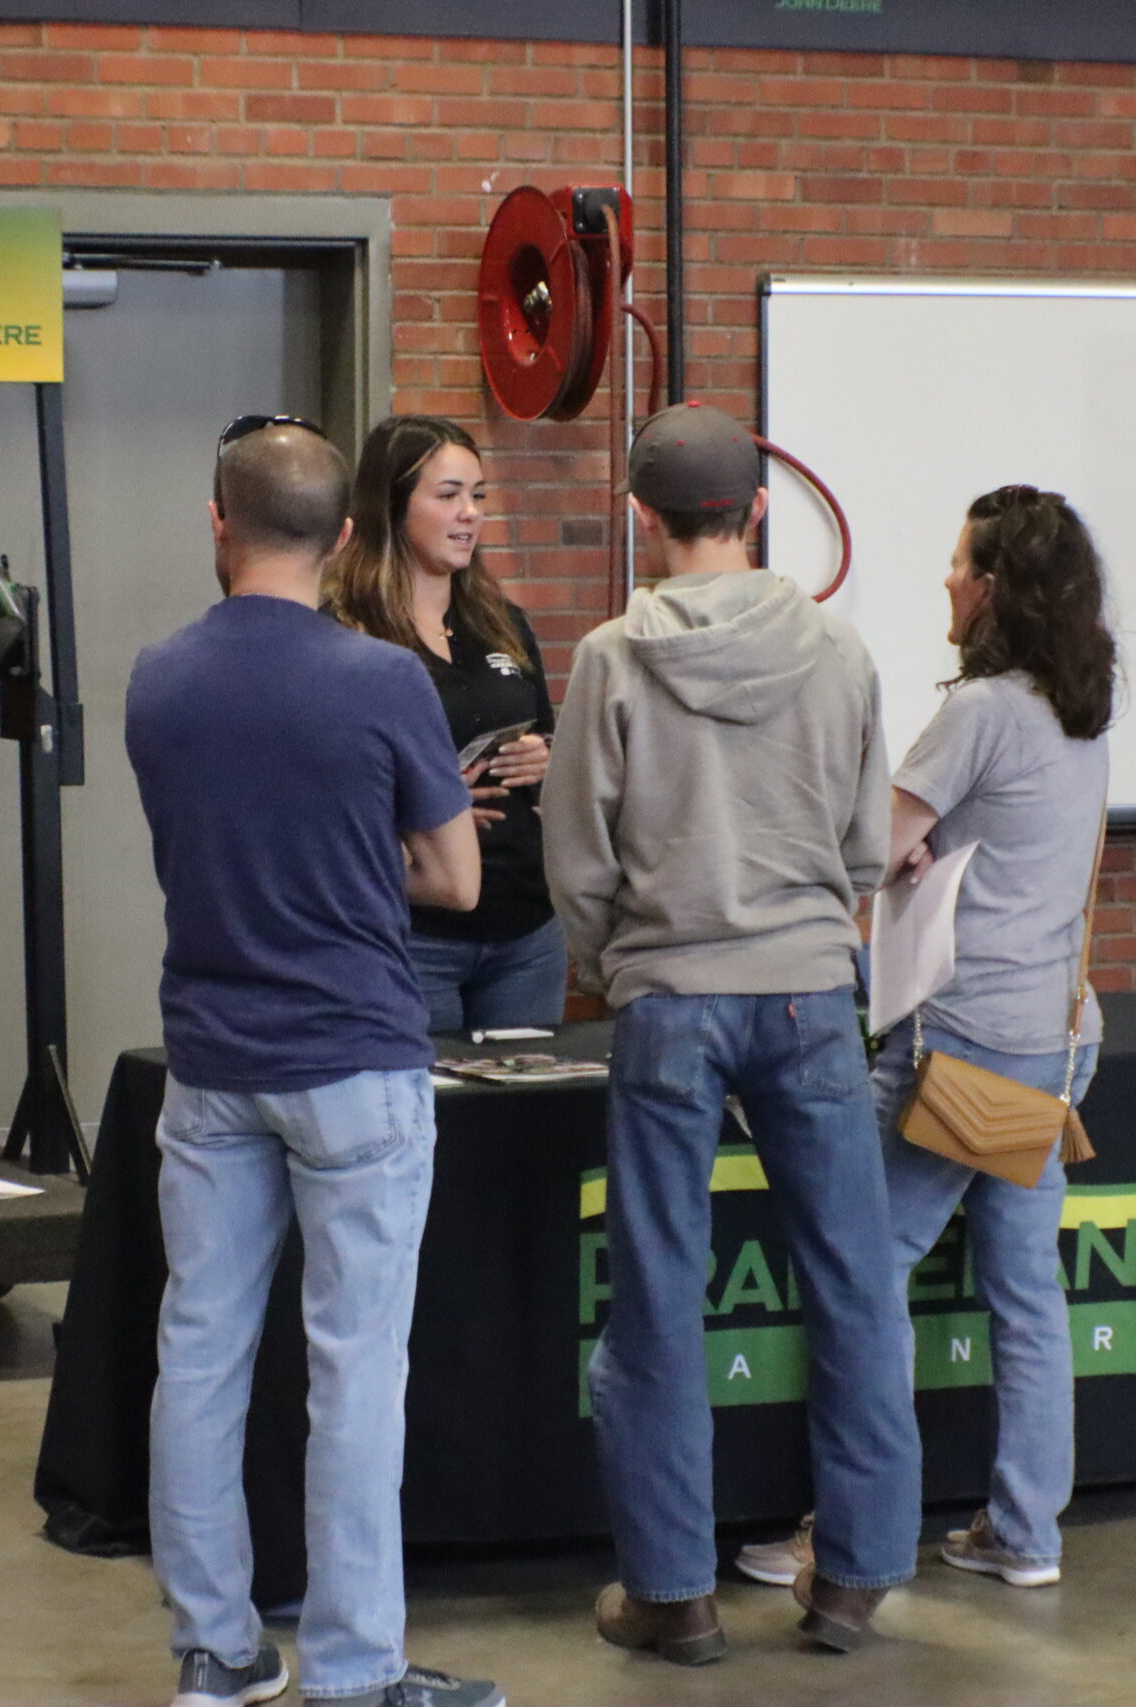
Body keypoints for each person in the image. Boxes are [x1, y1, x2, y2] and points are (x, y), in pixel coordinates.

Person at [124, 414, 501, 1707]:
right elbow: (454, 875)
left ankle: (215, 1651)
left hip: (212, 1058)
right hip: (354, 1060)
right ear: (346, 536)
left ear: (218, 522)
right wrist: (360, 856)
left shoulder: (157, 679)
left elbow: (211, 846)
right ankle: (353, 1670)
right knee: (354, 1374)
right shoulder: (382, 681)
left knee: (202, 1353)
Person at [543, 403, 921, 1662]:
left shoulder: (609, 656)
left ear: (643, 520)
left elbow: (578, 856)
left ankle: (673, 1596)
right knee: (856, 1283)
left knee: (656, 1298)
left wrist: (614, 959)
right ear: (757, 511)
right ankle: (857, 1578)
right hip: (814, 989)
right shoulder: (841, 650)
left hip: (667, 995)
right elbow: (870, 846)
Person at [734, 484, 1117, 1596]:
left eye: (958, 563)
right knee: (1025, 1292)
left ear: (994, 587)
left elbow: (872, 843)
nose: (944, 579)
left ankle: (850, 1537)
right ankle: (1024, 1532)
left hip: (960, 1048)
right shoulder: (1079, 705)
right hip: (1053, 1033)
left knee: (866, 1272)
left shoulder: (983, 710)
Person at [328, 416, 562, 1034]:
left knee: (522, 1126)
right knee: (429, 1124)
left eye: (478, 496)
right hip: (413, 935)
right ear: (393, 503)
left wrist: (545, 758)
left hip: (524, 929)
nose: (470, 514)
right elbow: (320, 785)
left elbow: (550, 736)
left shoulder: (500, 619)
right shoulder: (347, 630)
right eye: (449, 495)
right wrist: (421, 800)